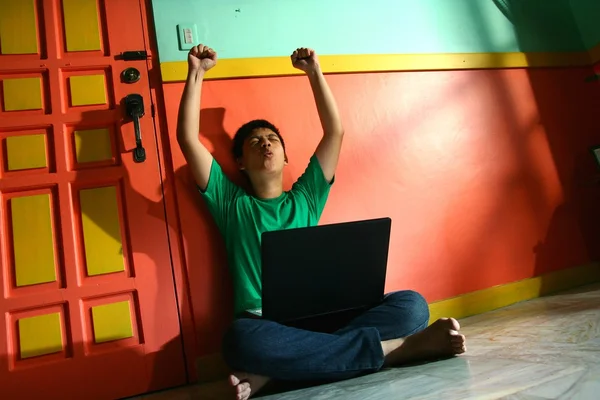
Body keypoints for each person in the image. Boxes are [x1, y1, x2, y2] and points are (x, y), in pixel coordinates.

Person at [177, 44, 467, 400]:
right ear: (239, 161)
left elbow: (335, 133)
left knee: (412, 305)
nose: (266, 145)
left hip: (326, 315)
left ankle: (273, 374)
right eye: (255, 142)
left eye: (272, 140)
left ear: (286, 156)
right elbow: (188, 139)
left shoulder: (306, 197)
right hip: (265, 324)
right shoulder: (231, 203)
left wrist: (314, 71)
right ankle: (397, 350)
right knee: (240, 340)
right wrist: (196, 72)